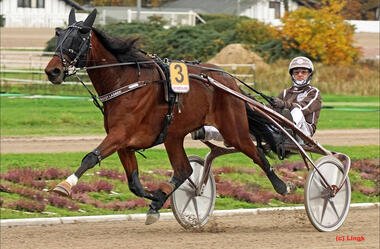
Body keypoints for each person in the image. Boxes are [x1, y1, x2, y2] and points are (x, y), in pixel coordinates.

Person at [191, 56, 322, 143]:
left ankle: (287, 133)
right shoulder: (285, 92)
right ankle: (207, 132)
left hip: (303, 133)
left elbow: (304, 108)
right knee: (247, 127)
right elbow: (271, 110)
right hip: (280, 129)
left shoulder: (313, 92)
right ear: (292, 75)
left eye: (303, 72)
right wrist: (254, 104)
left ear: (309, 74)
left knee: (296, 111)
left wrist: (284, 104)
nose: (299, 75)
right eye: (296, 72)